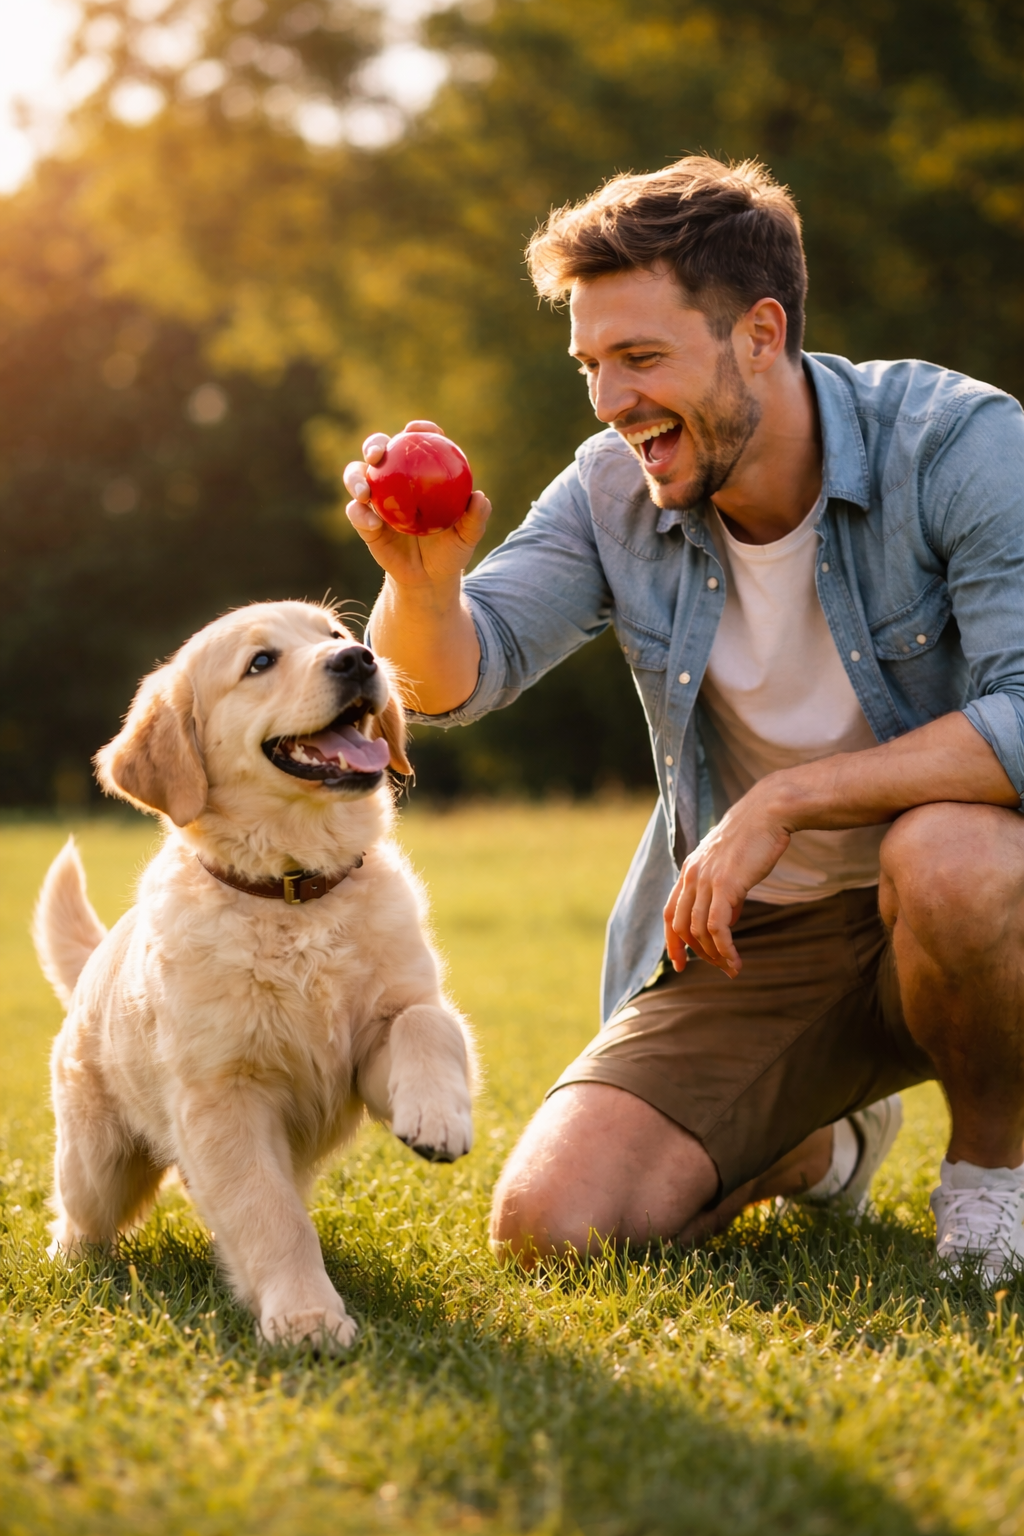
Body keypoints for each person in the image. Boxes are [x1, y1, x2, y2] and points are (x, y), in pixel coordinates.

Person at [343, 156, 1024, 1282]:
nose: (611, 404)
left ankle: (994, 1177)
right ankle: (818, 1140)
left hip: (979, 902)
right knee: (553, 1227)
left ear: (760, 333)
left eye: (641, 358)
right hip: (760, 940)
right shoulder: (612, 486)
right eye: (592, 366)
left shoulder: (956, 444)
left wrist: (788, 800)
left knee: (946, 851)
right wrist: (422, 583)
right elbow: (452, 680)